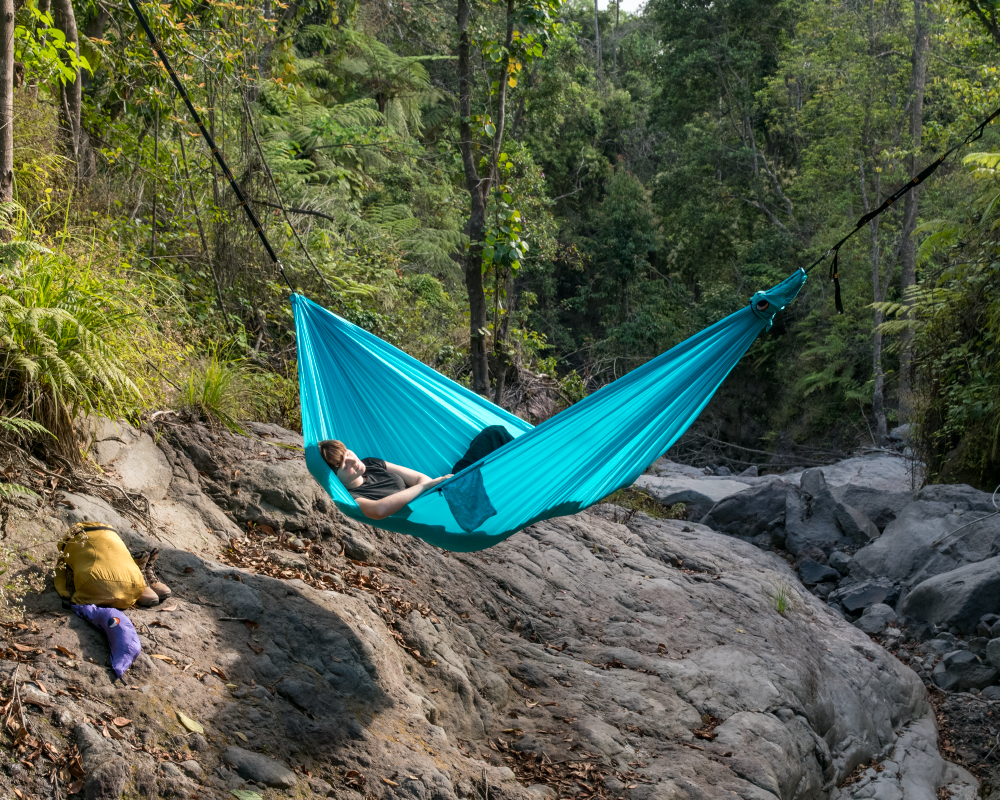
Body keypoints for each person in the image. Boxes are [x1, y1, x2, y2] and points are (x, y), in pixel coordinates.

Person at [318, 425, 515, 521]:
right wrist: (425, 487)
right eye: (346, 465)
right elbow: (378, 511)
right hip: (442, 512)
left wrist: (434, 487)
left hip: (443, 494)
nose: (354, 460)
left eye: (349, 453)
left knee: (494, 435)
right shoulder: (355, 498)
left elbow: (418, 477)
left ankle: (540, 459)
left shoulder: (371, 463)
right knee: (497, 445)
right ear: (336, 478)